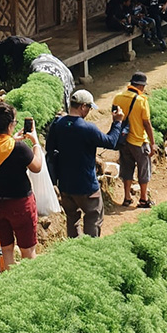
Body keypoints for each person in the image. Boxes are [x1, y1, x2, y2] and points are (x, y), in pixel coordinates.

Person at [45, 90, 123, 237]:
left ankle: (74, 250)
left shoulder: (58, 124)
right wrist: (117, 123)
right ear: (82, 107)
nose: (88, 111)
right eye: (89, 108)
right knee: (94, 217)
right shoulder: (88, 128)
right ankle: (90, 250)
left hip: (65, 185)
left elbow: (50, 149)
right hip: (87, 186)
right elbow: (111, 142)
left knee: (72, 219)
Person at [0, 103, 42, 263]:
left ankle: (9, 280)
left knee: (6, 248)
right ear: (10, 125)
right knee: (27, 250)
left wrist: (12, 139)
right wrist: (35, 143)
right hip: (21, 204)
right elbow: (37, 167)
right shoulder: (19, 147)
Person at [111, 72, 155, 208]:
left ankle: (127, 198)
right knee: (144, 170)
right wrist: (152, 143)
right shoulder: (142, 101)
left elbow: (114, 116)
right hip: (139, 141)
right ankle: (143, 198)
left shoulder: (118, 97)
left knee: (127, 168)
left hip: (123, 140)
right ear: (141, 86)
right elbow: (147, 123)